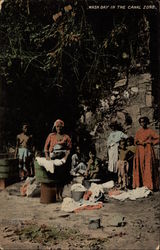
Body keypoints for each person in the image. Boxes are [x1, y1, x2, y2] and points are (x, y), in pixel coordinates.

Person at [44, 119, 72, 200]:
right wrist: (47, 156)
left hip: (62, 160)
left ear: (62, 127)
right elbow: (46, 147)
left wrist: (65, 158)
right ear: (55, 127)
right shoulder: (51, 136)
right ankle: (55, 194)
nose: (59, 128)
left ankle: (60, 194)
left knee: (62, 177)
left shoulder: (66, 137)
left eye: (60, 127)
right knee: (55, 177)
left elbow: (69, 149)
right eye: (57, 127)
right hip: (53, 158)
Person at [133, 117, 159, 191]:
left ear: (146, 122)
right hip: (140, 150)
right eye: (141, 122)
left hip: (148, 150)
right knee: (140, 165)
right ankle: (140, 184)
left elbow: (158, 138)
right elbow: (135, 140)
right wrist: (139, 142)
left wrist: (151, 142)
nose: (142, 123)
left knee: (148, 165)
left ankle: (149, 185)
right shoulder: (138, 132)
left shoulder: (150, 131)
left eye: (144, 122)